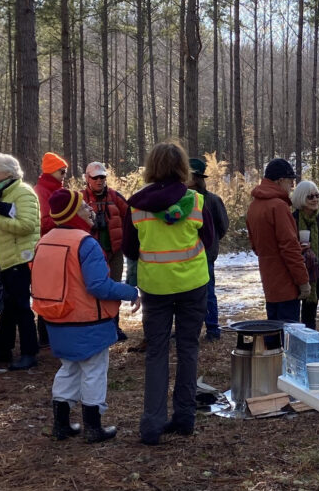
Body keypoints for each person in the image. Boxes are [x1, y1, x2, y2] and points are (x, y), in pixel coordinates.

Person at [123, 141, 215, 446]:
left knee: (157, 353)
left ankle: (151, 425)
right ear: (182, 168)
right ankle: (185, 418)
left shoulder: (136, 205)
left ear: (151, 168)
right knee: (188, 349)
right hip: (193, 285)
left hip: (156, 287)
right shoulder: (197, 201)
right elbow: (211, 242)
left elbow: (129, 250)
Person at [33, 189, 140, 442]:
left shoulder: (44, 241)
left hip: (57, 318)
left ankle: (61, 424)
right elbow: (98, 286)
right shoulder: (85, 243)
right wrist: (130, 291)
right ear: (72, 213)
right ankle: (93, 427)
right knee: (94, 371)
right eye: (83, 207)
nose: (90, 209)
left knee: (68, 369)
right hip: (87, 320)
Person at [0, 153, 41, 371]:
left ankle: (29, 352)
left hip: (19, 258)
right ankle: (2, 350)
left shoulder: (23, 192)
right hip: (4, 258)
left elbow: (27, 225)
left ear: (7, 172)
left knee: (21, 306)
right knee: (6, 305)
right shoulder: (3, 193)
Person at [246, 158, 308, 323]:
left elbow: (256, 245)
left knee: (273, 334)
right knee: (289, 336)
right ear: (280, 180)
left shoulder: (254, 206)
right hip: (286, 283)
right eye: (291, 181)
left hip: (269, 281)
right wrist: (303, 281)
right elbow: (289, 248)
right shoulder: (278, 206)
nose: (292, 186)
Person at [81, 161, 131, 342]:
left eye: (102, 177)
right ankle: (93, 327)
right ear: (87, 178)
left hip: (114, 253)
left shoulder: (116, 197)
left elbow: (130, 218)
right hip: (91, 256)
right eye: (95, 177)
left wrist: (128, 242)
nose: (99, 181)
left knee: (114, 289)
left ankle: (114, 327)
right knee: (91, 291)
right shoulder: (80, 199)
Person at [189, 157, 229, 341]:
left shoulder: (212, 200)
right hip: (184, 256)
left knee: (207, 292)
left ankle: (212, 329)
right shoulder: (179, 201)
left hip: (205, 255)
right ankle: (188, 329)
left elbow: (222, 226)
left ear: (196, 178)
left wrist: (210, 243)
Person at [290, 180, 319, 330]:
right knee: (291, 319)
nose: (315, 199)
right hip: (293, 277)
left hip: (317, 276)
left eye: (317, 195)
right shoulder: (292, 220)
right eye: (310, 197)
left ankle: (309, 346)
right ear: (301, 198)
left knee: (310, 318)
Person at [35, 151, 69, 347]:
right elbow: (43, 221)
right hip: (47, 247)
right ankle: (46, 336)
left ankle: (53, 332)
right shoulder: (41, 191)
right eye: (61, 171)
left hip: (58, 246)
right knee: (47, 292)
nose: (64, 175)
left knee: (58, 290)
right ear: (51, 171)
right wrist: (65, 218)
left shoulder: (56, 189)